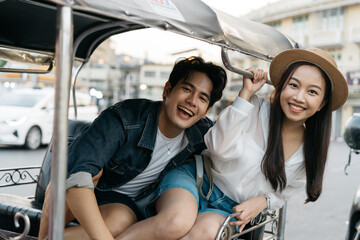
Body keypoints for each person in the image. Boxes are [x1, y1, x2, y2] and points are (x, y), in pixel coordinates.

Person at [115, 48, 348, 240]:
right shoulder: (254, 108)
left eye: (312, 92)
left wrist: (264, 200)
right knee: (175, 222)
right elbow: (217, 148)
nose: (299, 97)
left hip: (230, 208)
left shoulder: (311, 150)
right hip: (197, 179)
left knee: (202, 234)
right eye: (294, 85)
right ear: (280, 88)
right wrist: (245, 95)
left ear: (321, 103)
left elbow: (286, 191)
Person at [38, 56, 227, 240]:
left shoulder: (204, 135)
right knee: (73, 177)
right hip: (85, 189)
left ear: (206, 111)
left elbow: (240, 155)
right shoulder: (124, 119)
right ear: (167, 90)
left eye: (202, 98)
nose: (192, 101)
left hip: (122, 204)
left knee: (121, 220)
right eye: (187, 89)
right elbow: (77, 175)